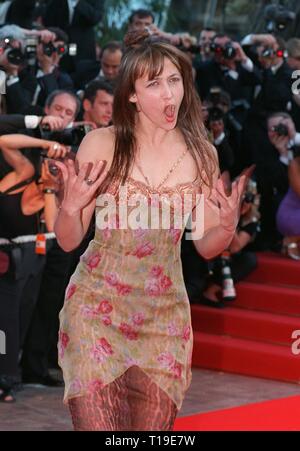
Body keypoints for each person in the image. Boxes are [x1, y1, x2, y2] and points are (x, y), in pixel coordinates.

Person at [54, 30, 246, 431]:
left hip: (164, 320)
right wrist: (70, 209)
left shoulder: (202, 154)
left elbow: (207, 247)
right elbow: (69, 239)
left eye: (174, 80)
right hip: (96, 311)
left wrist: (226, 228)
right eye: (154, 84)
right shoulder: (102, 145)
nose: (168, 94)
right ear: (132, 95)